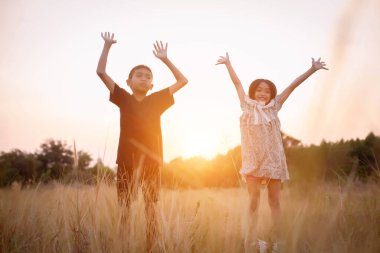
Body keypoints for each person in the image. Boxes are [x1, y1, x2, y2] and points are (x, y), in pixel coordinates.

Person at [216, 53, 327, 253]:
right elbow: (237, 82)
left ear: (271, 94)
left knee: (274, 202)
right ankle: (252, 240)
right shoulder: (246, 104)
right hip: (252, 160)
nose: (262, 93)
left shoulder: (275, 106)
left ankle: (277, 242)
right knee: (253, 202)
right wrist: (228, 64)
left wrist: (312, 69)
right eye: (259, 90)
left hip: (274, 160)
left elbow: (292, 86)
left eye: (267, 91)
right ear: (253, 92)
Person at [96, 32, 188, 252]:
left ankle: (151, 246)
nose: (144, 78)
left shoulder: (157, 100)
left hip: (151, 162)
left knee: (151, 208)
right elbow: (100, 72)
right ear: (129, 82)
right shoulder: (123, 98)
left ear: (152, 84)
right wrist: (107, 46)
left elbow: (183, 81)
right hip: (127, 161)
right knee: (125, 208)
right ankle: (124, 245)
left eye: (148, 76)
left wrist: (165, 59)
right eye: (139, 75)